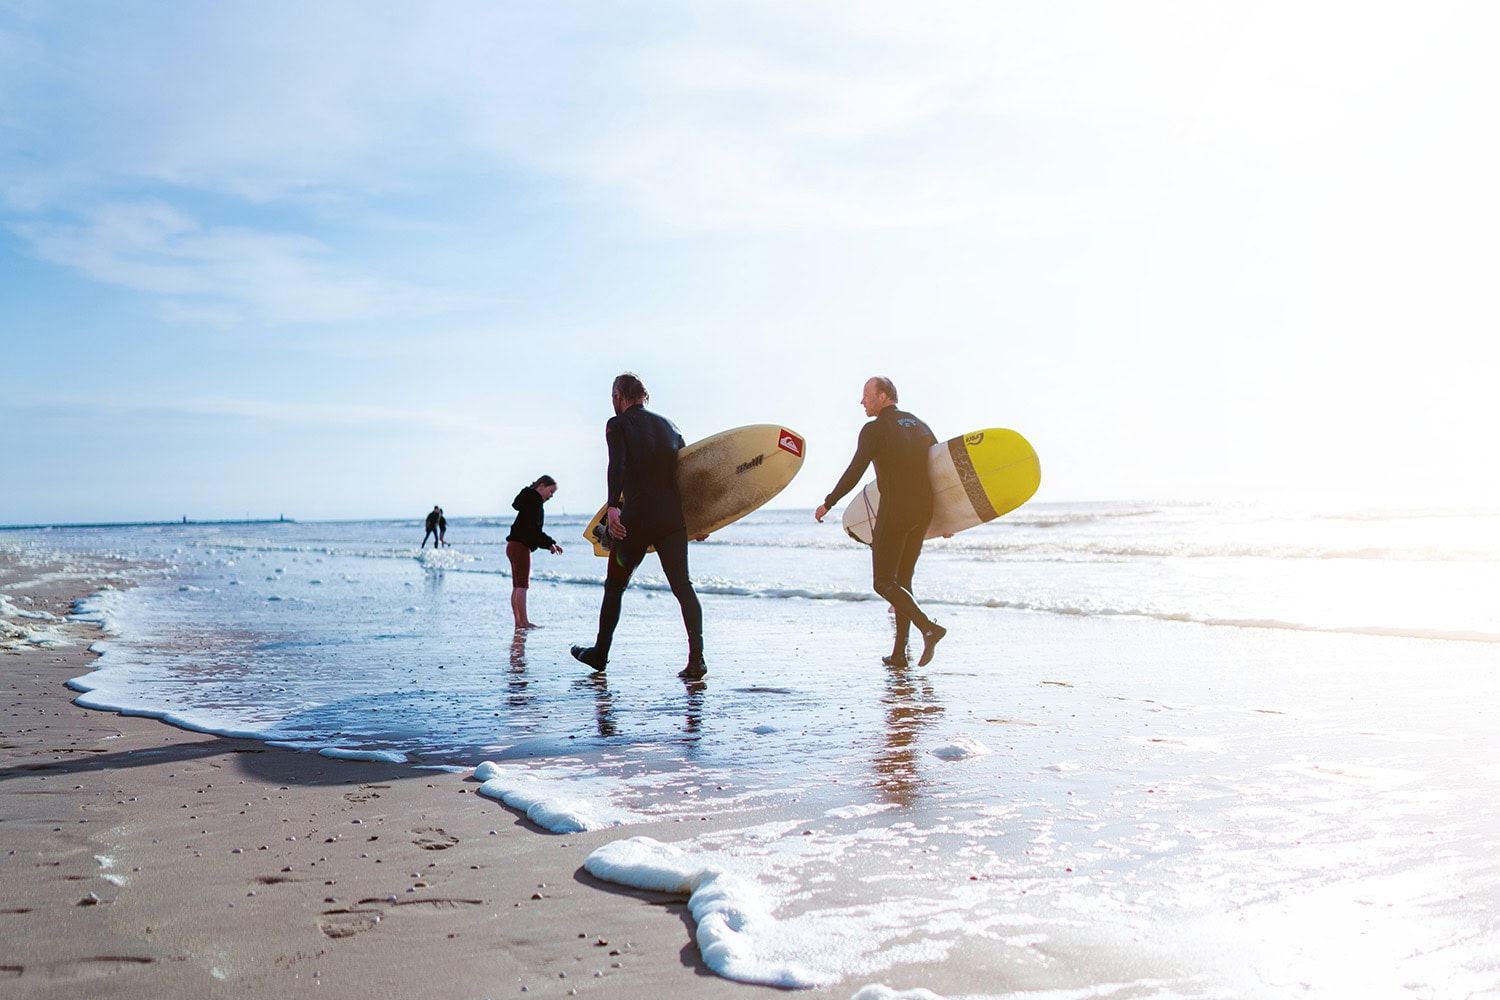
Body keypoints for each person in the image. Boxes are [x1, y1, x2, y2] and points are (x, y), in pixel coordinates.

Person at [572, 372, 706, 680]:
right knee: (683, 587)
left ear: (619, 396)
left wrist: (614, 509)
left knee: (615, 586)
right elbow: (685, 477)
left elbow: (616, 464)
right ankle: (697, 659)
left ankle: (600, 654)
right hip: (672, 520)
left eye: (613, 397)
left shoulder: (616, 424)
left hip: (636, 520)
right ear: (644, 396)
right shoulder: (671, 427)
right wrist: (701, 519)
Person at [815, 376, 946, 667]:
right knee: (903, 582)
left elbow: (855, 470)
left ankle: (929, 628)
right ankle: (900, 654)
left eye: (867, 395)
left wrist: (829, 501)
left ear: (884, 396)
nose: (862, 401)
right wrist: (948, 518)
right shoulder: (920, 424)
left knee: (883, 582)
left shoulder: (874, 429)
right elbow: (940, 469)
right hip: (922, 510)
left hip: (896, 509)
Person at [506, 475, 563, 628]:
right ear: (542, 486)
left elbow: (532, 529)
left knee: (517, 586)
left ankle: (519, 622)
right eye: (551, 492)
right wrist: (550, 543)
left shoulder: (527, 499)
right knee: (522, 586)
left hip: (512, 545)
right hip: (520, 546)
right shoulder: (536, 502)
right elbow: (534, 531)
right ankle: (524, 622)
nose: (551, 496)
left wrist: (549, 543)